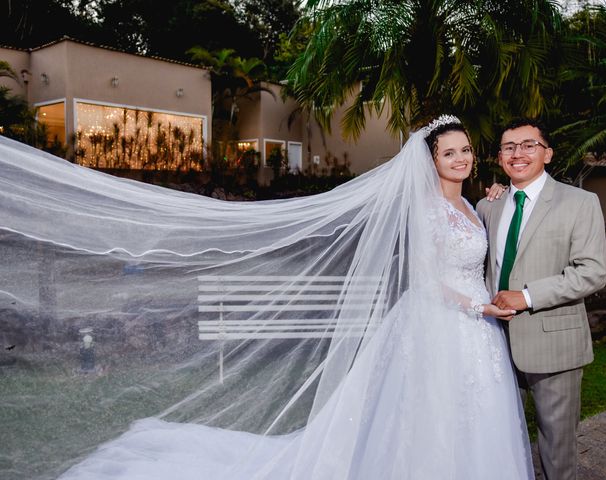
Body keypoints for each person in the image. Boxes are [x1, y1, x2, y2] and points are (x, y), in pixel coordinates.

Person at [0, 116, 532, 480]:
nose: (461, 158)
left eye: (465, 150)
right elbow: (421, 274)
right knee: (426, 417)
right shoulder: (424, 209)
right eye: (449, 152)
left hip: (477, 331)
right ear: (430, 159)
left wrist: (492, 231)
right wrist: (473, 306)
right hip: (442, 321)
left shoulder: (476, 207)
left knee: (475, 415)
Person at [476, 118, 606, 480]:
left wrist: (528, 296)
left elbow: (592, 271)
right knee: (503, 440)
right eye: (509, 147)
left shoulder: (580, 202)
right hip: (494, 344)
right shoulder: (489, 206)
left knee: (557, 450)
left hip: (555, 346)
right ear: (500, 157)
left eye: (528, 145)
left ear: (547, 153)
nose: (518, 153)